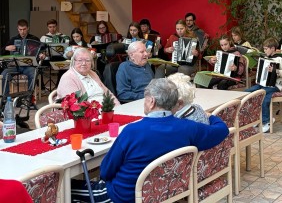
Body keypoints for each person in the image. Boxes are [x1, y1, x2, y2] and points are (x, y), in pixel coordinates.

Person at [70, 78, 229, 203]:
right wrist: (211, 116)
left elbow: (105, 171)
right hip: (165, 192)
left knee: (65, 189)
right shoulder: (189, 128)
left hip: (122, 196)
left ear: (152, 101)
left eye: (145, 98)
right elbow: (222, 130)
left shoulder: (132, 131)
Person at [245, 37, 282, 133]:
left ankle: (267, 121)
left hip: (275, 86)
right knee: (246, 93)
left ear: (272, 48)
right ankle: (256, 117)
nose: (264, 51)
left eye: (266, 49)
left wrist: (275, 70)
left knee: (262, 96)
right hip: (263, 84)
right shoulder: (265, 58)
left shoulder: (279, 59)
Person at [1, 19, 40, 96]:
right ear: (17, 29)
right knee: (4, 75)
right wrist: (6, 48)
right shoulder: (13, 39)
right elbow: (2, 51)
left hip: (29, 66)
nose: (22, 32)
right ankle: (6, 98)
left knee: (33, 74)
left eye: (24, 29)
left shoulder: (34, 39)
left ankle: (29, 97)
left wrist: (41, 54)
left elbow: (41, 51)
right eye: (20, 29)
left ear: (28, 28)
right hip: (15, 65)